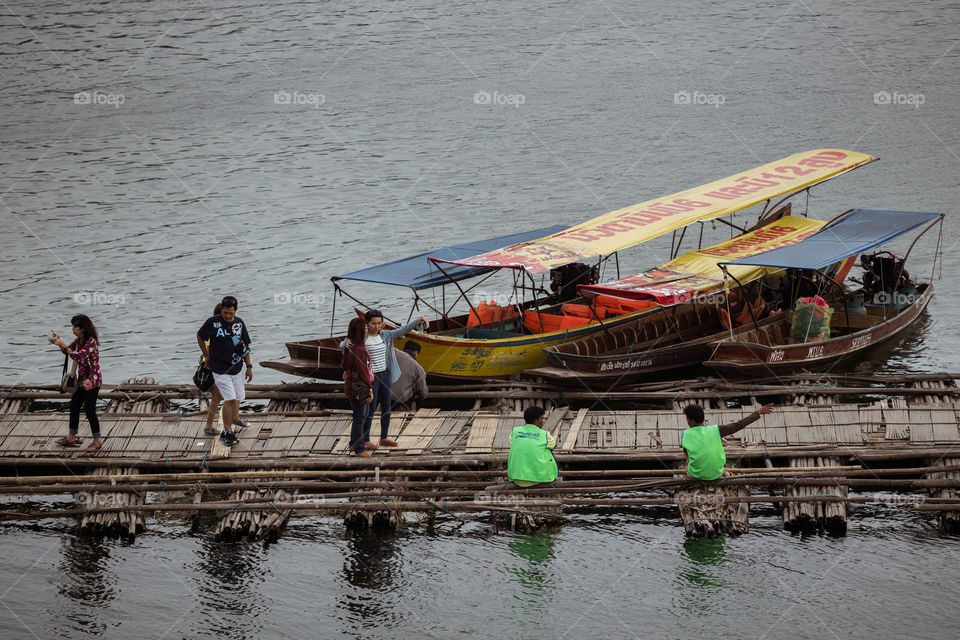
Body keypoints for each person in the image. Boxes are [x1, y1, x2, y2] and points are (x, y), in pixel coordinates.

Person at [341, 310, 427, 447]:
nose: (377, 326)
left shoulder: (385, 335)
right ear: (367, 324)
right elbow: (343, 345)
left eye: (379, 323)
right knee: (370, 408)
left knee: (386, 407)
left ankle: (384, 437)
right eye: (373, 323)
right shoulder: (361, 337)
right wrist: (346, 343)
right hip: (370, 377)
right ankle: (366, 440)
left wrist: (418, 321)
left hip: (385, 375)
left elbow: (402, 330)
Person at [197, 296, 252, 447]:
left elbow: (243, 346)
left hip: (236, 368)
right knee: (227, 399)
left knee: (235, 398)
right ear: (221, 311)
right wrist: (206, 356)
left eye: (231, 313)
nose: (228, 316)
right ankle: (226, 431)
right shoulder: (212, 324)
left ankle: (234, 418)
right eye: (225, 313)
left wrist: (249, 366)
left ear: (236, 311)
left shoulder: (239, 324)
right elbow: (200, 337)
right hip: (218, 369)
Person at [50, 314, 103, 451]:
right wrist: (58, 342)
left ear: (82, 329)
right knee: (74, 405)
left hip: (92, 381)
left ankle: (97, 441)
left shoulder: (91, 342)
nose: (73, 329)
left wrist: (63, 346)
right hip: (81, 381)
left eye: (75, 327)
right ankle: (71, 436)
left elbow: (79, 356)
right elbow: (68, 351)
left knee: (89, 409)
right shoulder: (79, 340)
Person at [681, 403, 774, 481]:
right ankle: (724, 472)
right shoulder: (716, 429)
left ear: (692, 421)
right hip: (716, 474)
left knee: (688, 460)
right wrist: (758, 412)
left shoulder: (686, 434)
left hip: (695, 475)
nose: (687, 422)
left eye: (687, 419)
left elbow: (687, 456)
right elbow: (738, 425)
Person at [342, 317, 375, 457]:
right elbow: (362, 371)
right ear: (360, 331)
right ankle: (359, 448)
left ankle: (353, 443)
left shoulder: (350, 346)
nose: (368, 330)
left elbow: (344, 364)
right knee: (360, 417)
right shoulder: (359, 348)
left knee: (359, 415)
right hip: (359, 387)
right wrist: (370, 389)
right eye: (366, 328)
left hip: (351, 385)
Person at [506, 406, 558, 487]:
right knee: (547, 451)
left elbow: (512, 442)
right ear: (535, 420)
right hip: (538, 479)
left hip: (517, 478)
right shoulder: (545, 434)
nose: (543, 421)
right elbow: (553, 445)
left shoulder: (515, 431)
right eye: (541, 419)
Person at [390, 340, 428, 407]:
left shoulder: (393, 351)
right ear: (416, 353)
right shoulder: (418, 368)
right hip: (401, 398)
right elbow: (423, 393)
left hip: (383, 394)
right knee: (418, 391)